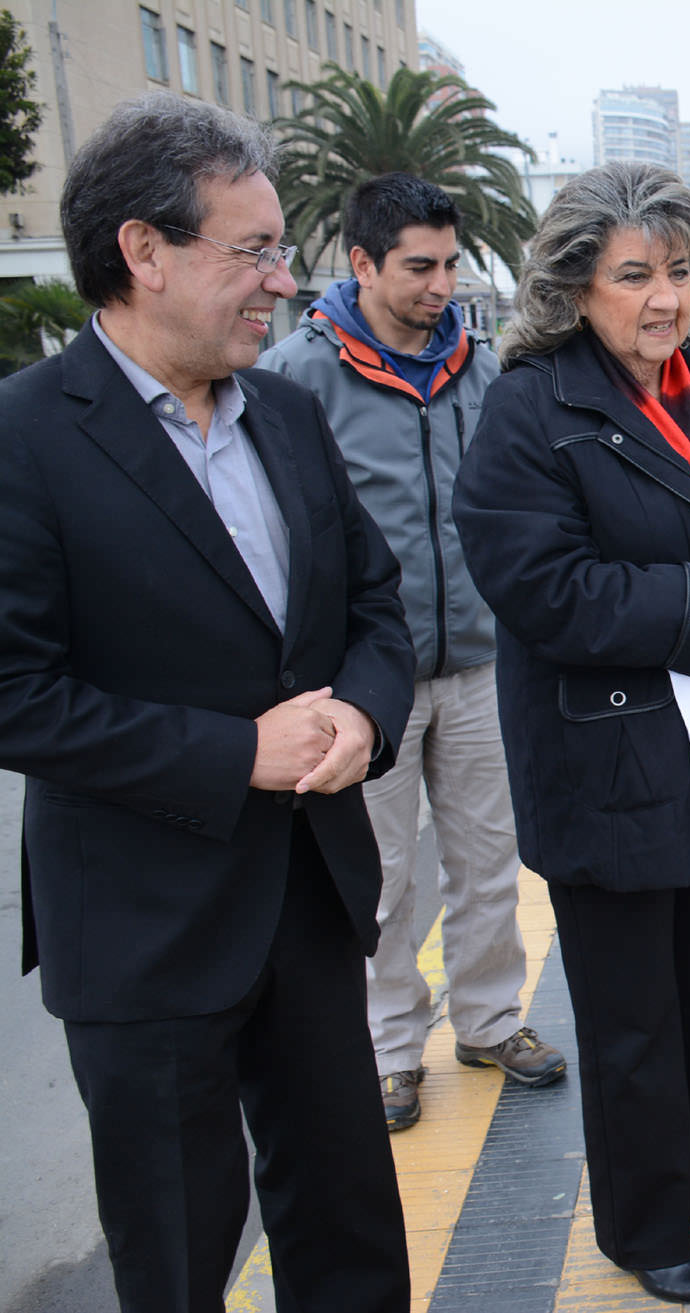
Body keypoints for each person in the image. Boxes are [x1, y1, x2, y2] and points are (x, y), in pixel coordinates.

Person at [0, 95, 416, 1310]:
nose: (281, 284)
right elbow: (15, 694)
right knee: (177, 1252)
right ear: (143, 250)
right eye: (254, 251)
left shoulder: (284, 412)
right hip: (141, 921)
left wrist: (367, 717)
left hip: (306, 895)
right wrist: (232, 752)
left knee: (347, 1224)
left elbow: (375, 608)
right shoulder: (25, 439)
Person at [452, 161, 690, 1307]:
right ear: (574, 286)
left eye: (676, 270)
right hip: (610, 762)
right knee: (632, 1015)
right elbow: (538, 584)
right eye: (633, 274)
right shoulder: (532, 407)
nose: (662, 298)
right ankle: (645, 1222)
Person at [261, 173, 566, 1133]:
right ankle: (391, 1049)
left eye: (449, 264)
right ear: (361, 263)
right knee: (385, 871)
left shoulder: (480, 368)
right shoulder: (297, 377)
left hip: (481, 657)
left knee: (487, 855)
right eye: (418, 267)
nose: (441, 285)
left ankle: (488, 1021)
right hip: (367, 675)